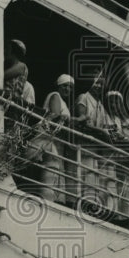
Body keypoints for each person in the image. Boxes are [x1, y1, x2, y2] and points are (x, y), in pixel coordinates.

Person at [75, 74, 114, 209]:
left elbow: (106, 126)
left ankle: (90, 207)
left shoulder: (101, 106)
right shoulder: (83, 97)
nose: (98, 86)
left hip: (95, 149)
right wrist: (102, 131)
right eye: (96, 83)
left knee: (93, 182)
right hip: (84, 145)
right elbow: (83, 121)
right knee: (84, 178)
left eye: (101, 84)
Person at [36, 74, 76, 204]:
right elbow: (56, 116)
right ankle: (48, 199)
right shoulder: (55, 96)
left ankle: (55, 200)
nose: (67, 90)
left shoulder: (62, 100)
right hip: (51, 139)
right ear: (58, 86)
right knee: (52, 168)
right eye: (65, 86)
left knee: (56, 169)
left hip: (58, 141)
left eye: (70, 87)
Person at [106, 90, 129, 221]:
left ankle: (127, 219)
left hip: (128, 164)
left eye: (116, 102)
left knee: (128, 197)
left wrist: (124, 141)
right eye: (110, 102)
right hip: (114, 162)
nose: (113, 105)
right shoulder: (109, 119)